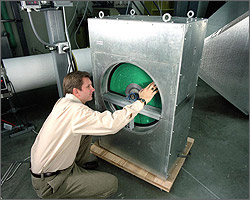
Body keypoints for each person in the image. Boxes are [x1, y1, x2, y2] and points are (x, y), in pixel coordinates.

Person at [30, 70, 158, 199]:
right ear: (76, 91)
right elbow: (112, 124)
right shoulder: (76, 112)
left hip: (49, 169)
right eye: (88, 87)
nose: (93, 89)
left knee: (85, 134)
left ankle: (78, 168)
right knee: (111, 184)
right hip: (50, 183)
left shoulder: (63, 102)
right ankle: (67, 186)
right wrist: (141, 101)